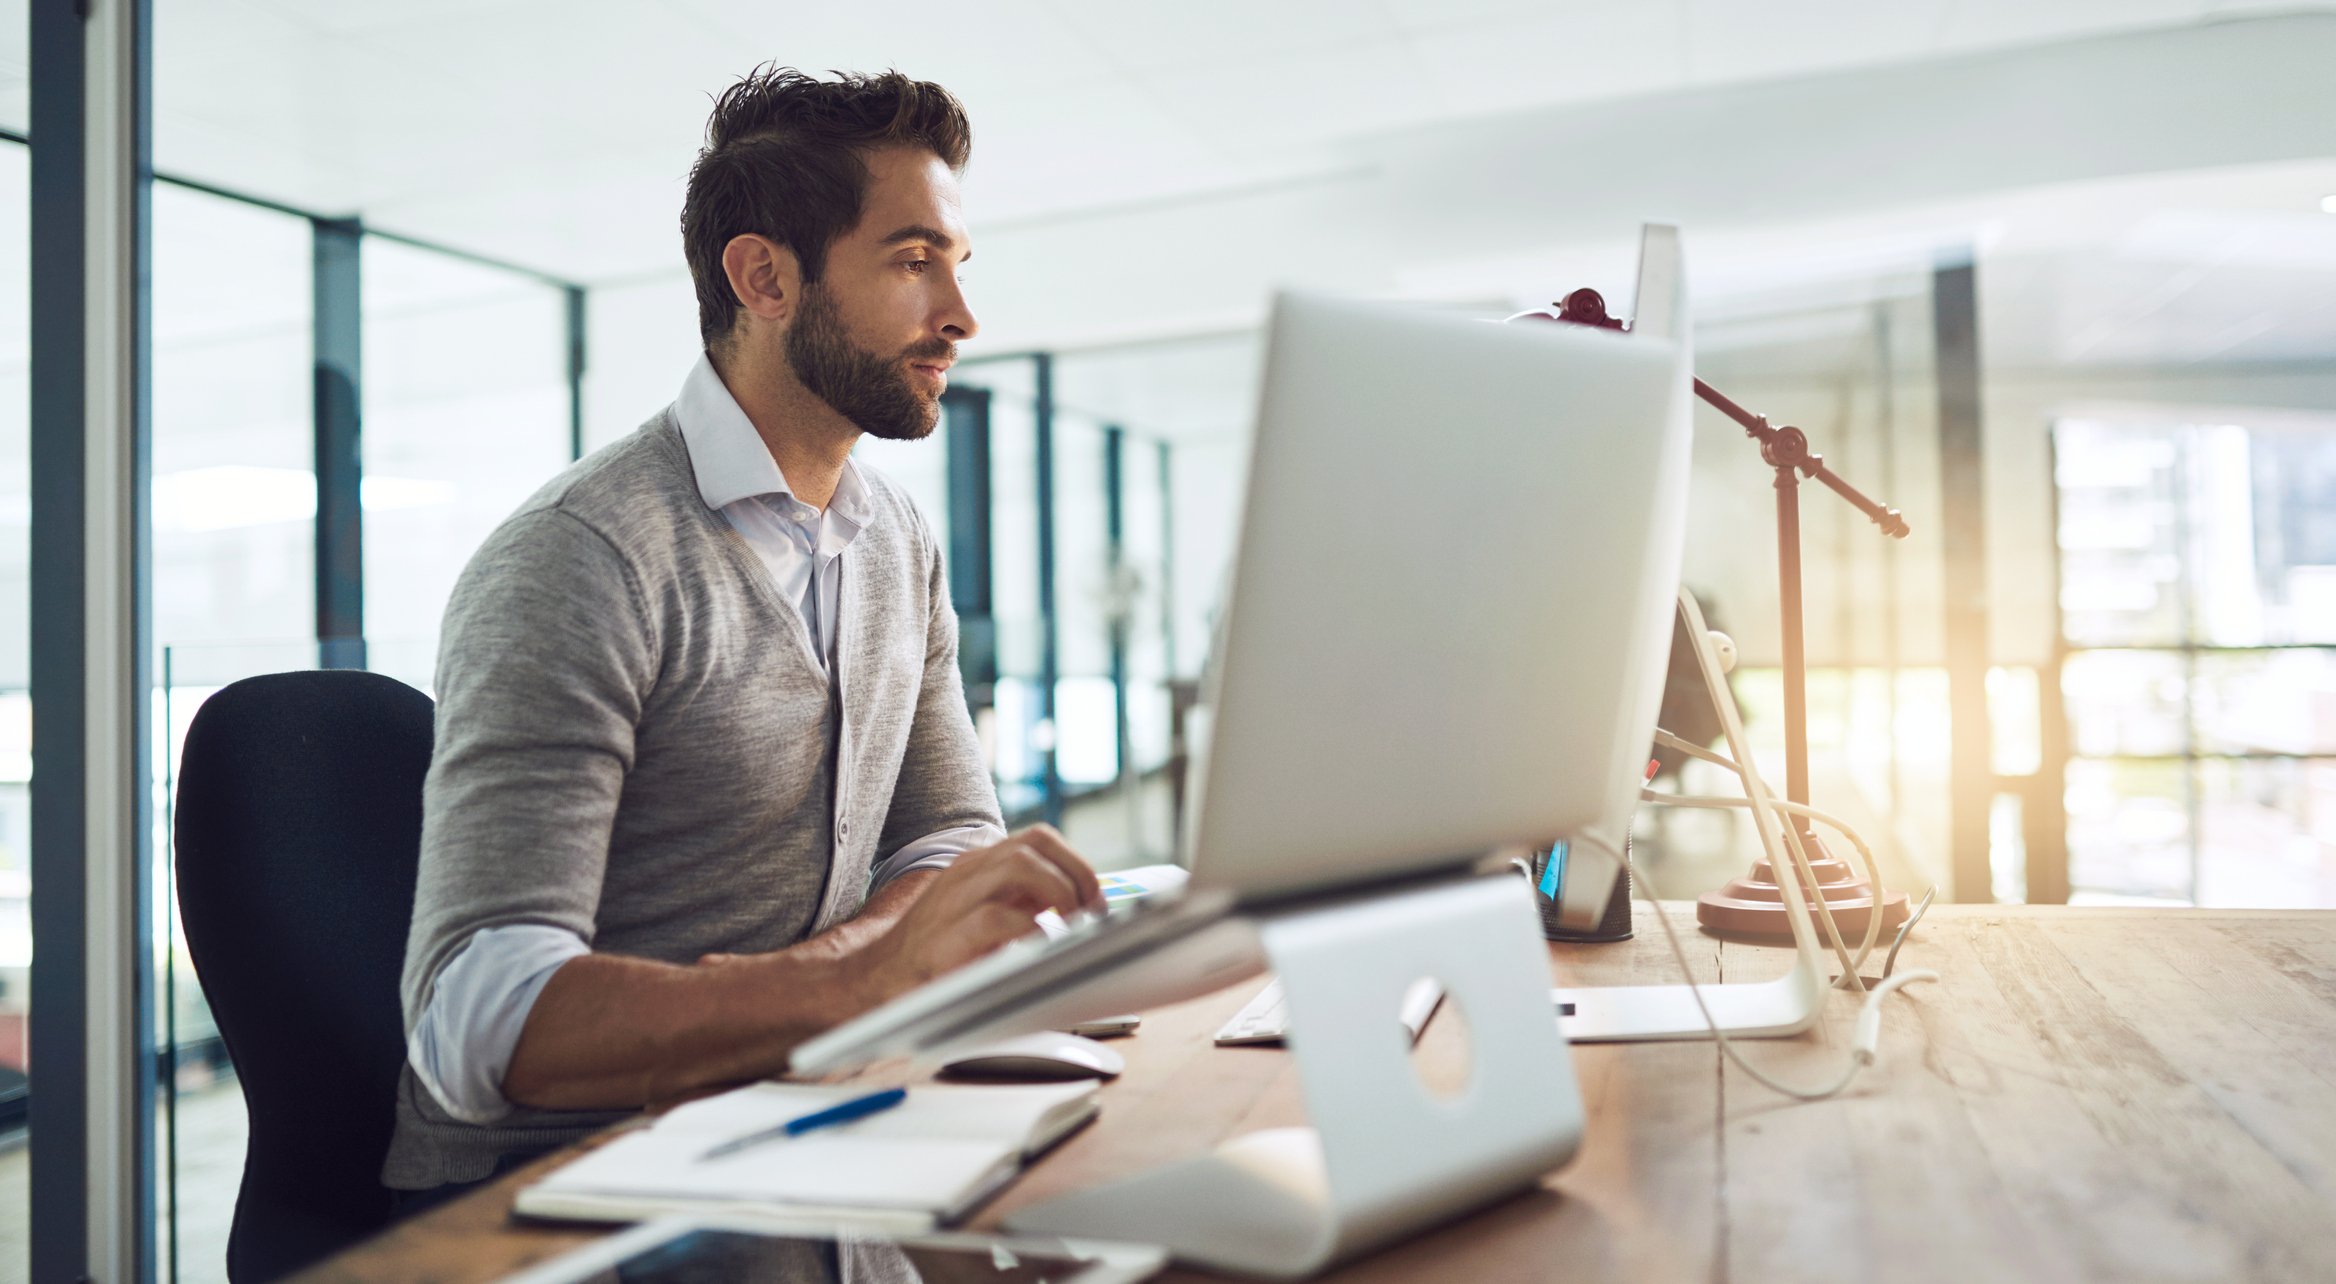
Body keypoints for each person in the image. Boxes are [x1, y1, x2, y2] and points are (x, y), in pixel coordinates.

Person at [381, 67, 1103, 1201]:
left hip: (803, 1132)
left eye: (957, 266)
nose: (960, 315)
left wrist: (863, 972)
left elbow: (949, 835)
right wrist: (862, 982)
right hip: (564, 1204)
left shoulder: (891, 538)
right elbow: (485, 1021)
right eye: (914, 262)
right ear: (764, 277)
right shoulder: (580, 560)